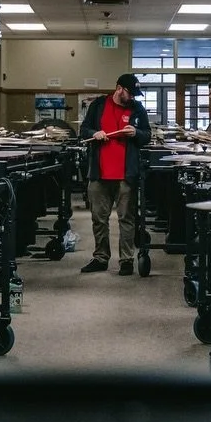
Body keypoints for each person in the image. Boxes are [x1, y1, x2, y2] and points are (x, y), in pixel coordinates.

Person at [78, 73, 152, 276]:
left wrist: (136, 133)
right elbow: (84, 129)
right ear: (119, 88)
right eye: (130, 93)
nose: (133, 97)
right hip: (99, 173)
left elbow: (147, 135)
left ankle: (126, 260)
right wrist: (94, 133)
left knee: (126, 219)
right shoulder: (98, 105)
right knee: (98, 218)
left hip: (125, 175)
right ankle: (101, 258)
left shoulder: (137, 108)